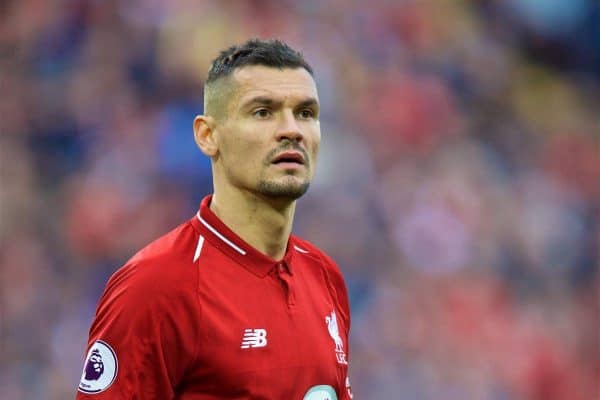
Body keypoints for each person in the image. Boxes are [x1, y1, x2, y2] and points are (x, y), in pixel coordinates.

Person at [77, 38, 353, 399]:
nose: (292, 130)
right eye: (263, 112)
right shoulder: (156, 287)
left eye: (305, 113)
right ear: (208, 136)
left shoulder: (324, 276)